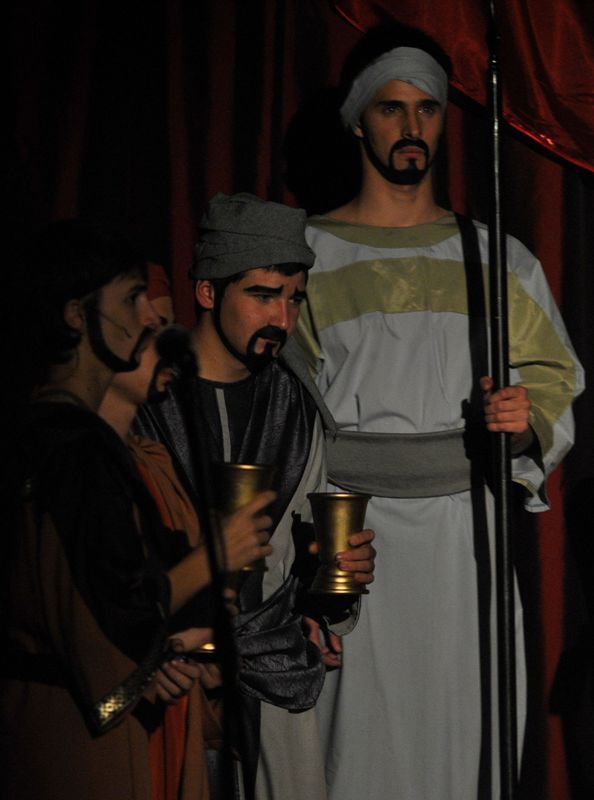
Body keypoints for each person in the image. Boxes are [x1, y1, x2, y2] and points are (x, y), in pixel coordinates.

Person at [291, 24, 585, 800]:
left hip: (463, 539)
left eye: (427, 108)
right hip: (353, 539)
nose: (413, 125)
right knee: (355, 749)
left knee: (462, 742)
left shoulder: (496, 258)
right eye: (391, 108)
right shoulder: (307, 256)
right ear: (358, 120)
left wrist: (521, 419)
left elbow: (556, 381)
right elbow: (280, 410)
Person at [0, 219, 271, 800]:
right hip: (70, 739)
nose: (149, 318)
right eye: (130, 300)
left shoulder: (71, 440)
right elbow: (115, 606)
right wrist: (216, 554)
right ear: (77, 316)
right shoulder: (69, 443)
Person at [135, 192, 376, 800]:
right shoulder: (146, 399)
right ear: (208, 291)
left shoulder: (294, 405)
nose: (282, 319)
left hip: (269, 679)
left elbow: (301, 562)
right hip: (167, 674)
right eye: (263, 295)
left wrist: (337, 574)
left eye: (294, 299)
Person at [99, 324, 274, 799]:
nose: (166, 343)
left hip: (171, 709)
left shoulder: (152, 461)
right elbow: (95, 603)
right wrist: (217, 555)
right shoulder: (75, 462)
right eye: (146, 328)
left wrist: (203, 640)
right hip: (104, 726)